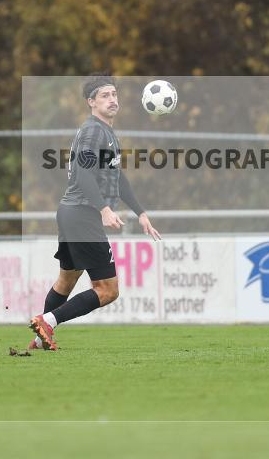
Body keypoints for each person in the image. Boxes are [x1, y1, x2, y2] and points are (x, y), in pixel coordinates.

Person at [28, 73, 161, 351]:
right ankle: (47, 321)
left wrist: (140, 212)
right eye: (104, 95)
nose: (112, 100)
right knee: (108, 290)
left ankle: (40, 338)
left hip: (72, 212)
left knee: (67, 280)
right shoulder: (94, 131)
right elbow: (82, 171)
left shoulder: (105, 132)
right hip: (83, 214)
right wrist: (103, 208)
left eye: (114, 94)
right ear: (91, 102)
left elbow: (117, 178)